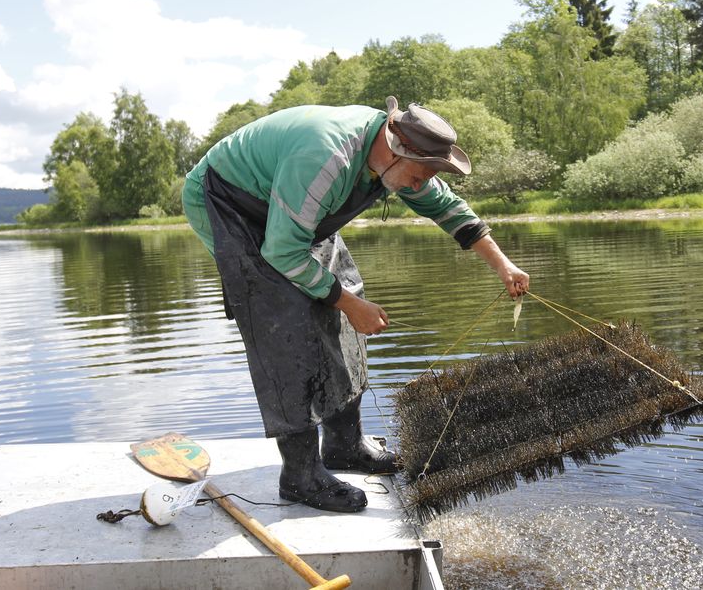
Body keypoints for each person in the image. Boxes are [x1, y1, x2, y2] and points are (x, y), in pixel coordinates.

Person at [182, 96, 530, 512]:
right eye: (416, 178)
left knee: (343, 301)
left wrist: (503, 265)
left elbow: (443, 203)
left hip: (292, 207)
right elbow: (281, 252)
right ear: (395, 152)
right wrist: (346, 304)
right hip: (230, 202)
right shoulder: (325, 161)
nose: (417, 187)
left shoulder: (397, 157)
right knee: (286, 323)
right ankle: (300, 476)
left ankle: (344, 446)